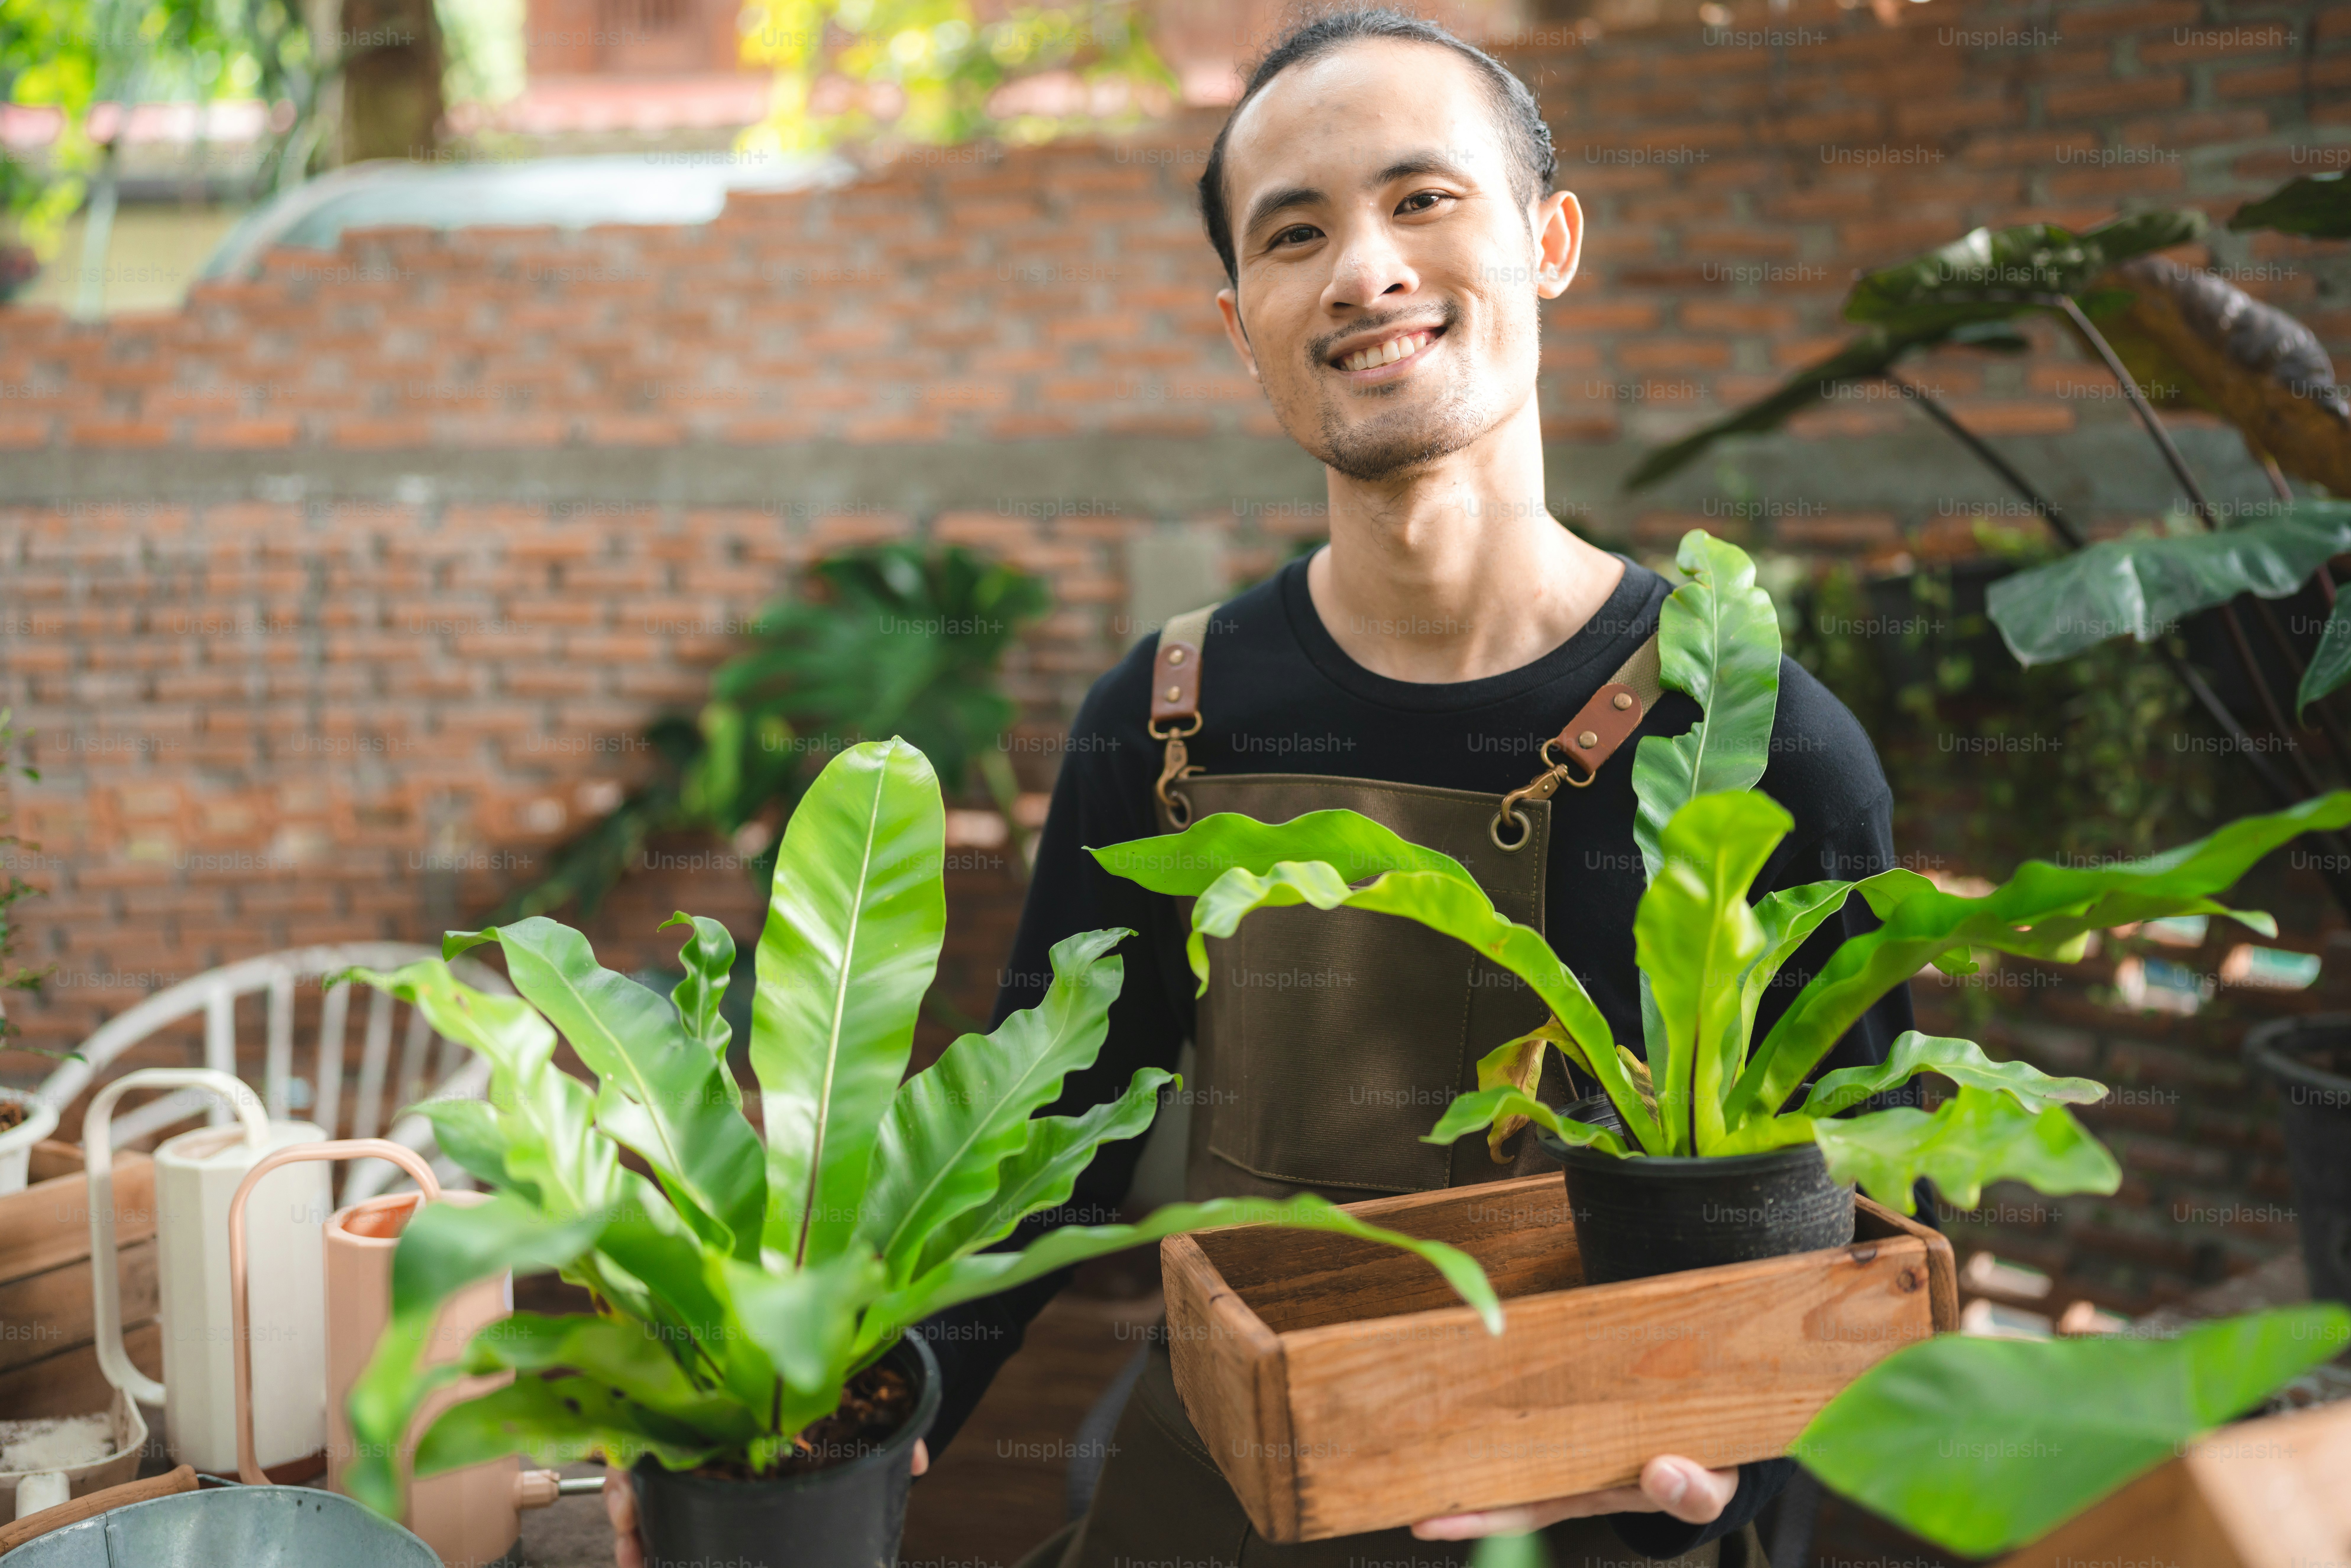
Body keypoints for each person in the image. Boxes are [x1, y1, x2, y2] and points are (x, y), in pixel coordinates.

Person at [609, 8, 1913, 1563]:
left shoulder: (1761, 747)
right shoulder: (1161, 720)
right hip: (1215, 1501)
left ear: (1551, 239)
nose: (1365, 269)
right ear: (1242, 323)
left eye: (1423, 200)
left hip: (1597, 1509)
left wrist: (1727, 1481)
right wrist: (848, 1419)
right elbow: (1049, 1143)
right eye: (1298, 233)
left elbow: (1858, 1235)